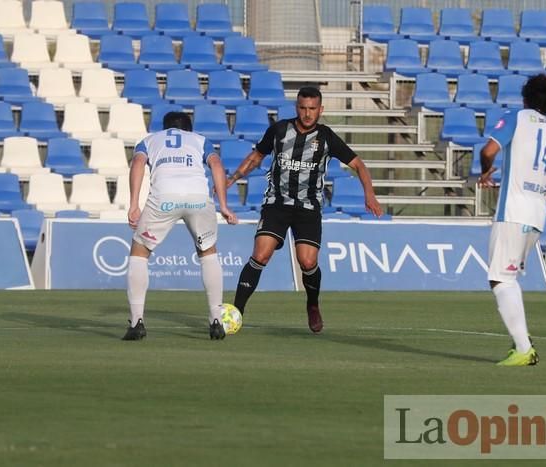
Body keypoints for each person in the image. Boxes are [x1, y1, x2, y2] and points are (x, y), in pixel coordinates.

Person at [226, 87, 383, 333]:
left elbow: (358, 164)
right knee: (261, 254)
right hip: (277, 204)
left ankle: (312, 304)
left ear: (321, 109)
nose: (307, 114)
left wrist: (369, 193)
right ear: (296, 107)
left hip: (308, 208)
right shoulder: (279, 130)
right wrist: (232, 179)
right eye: (303, 108)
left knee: (307, 261)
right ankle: (235, 312)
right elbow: (256, 156)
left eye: (312, 109)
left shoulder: (327, 137)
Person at [478, 74, 546, 366]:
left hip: (512, 213)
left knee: (501, 279)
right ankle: (521, 344)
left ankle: (524, 348)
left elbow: (489, 151)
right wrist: (540, 194)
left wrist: (486, 170)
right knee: (507, 277)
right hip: (536, 216)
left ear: (526, 97)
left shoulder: (518, 118)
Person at [123, 112, 238, 341]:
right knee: (208, 253)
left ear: (165, 128)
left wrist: (134, 204)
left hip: (164, 196)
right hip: (197, 196)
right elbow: (216, 164)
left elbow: (138, 162)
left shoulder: (149, 140)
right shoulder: (200, 140)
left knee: (139, 253)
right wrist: (223, 205)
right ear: (189, 127)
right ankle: (216, 319)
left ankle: (137, 322)